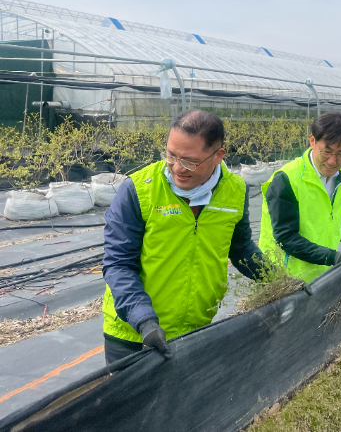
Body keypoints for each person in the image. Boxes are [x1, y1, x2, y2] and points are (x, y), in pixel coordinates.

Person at [102, 110, 264, 365]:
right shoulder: (139, 190)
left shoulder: (235, 191)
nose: (178, 168)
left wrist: (278, 280)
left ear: (217, 156)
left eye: (190, 161)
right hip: (134, 335)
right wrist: (144, 319)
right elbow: (118, 264)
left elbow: (242, 249)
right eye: (171, 155)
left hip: (196, 329)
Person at [259, 113, 341, 283]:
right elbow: (285, 237)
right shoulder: (286, 179)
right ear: (313, 141)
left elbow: (331, 220)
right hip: (286, 279)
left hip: (320, 274)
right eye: (327, 151)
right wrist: (331, 257)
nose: (333, 161)